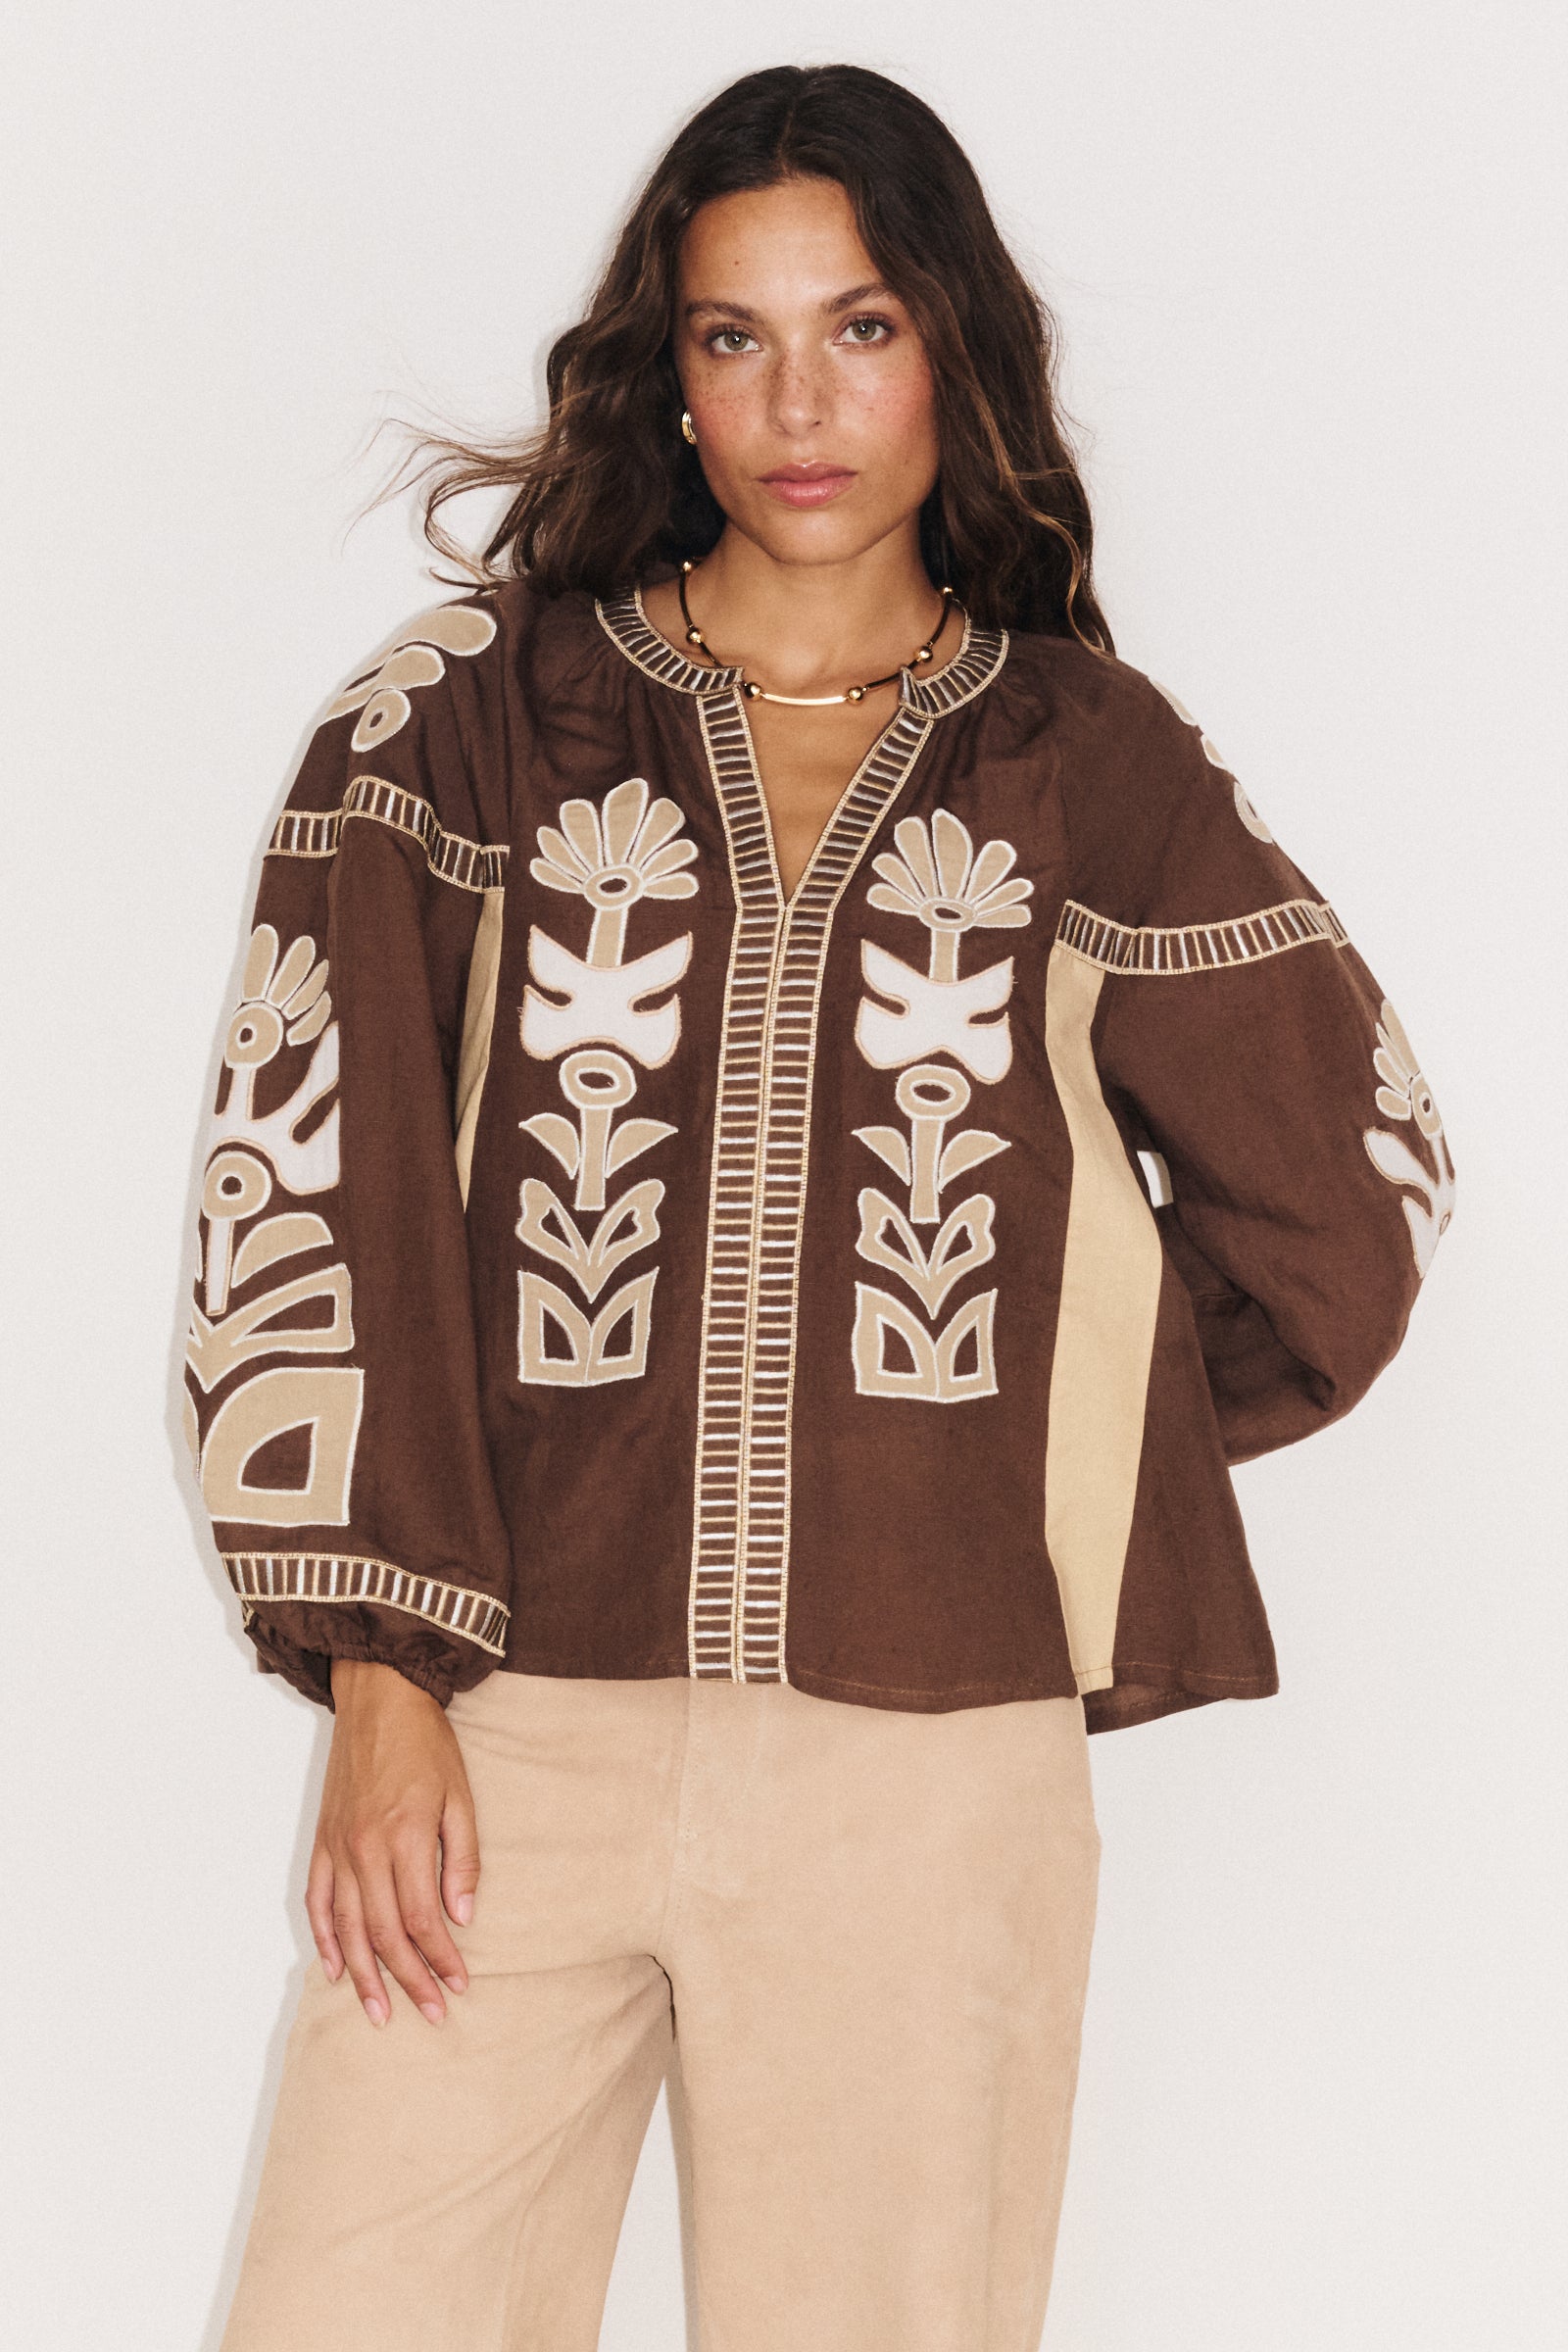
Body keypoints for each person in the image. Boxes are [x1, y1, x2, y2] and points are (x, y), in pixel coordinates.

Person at [184, 61, 1454, 2352]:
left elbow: (1348, 1197)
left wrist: (1022, 1430)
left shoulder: (1084, 761)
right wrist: (377, 1673)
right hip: (501, 1729)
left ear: (951, 350)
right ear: (666, 375)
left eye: (857, 328)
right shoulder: (463, 725)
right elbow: (306, 1170)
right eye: (732, 334)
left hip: (924, 1772)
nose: (794, 403)